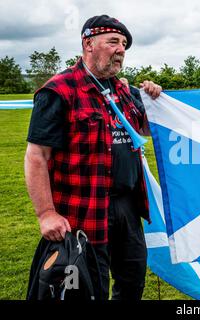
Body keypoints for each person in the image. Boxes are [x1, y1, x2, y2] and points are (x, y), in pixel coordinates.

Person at [25, 14, 162, 300]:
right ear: (88, 43)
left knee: (133, 283)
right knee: (89, 290)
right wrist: (46, 213)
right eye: (113, 41)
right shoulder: (59, 90)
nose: (121, 50)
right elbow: (37, 155)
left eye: (124, 44)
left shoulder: (124, 90)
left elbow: (148, 128)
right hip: (82, 210)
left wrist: (153, 99)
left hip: (127, 207)